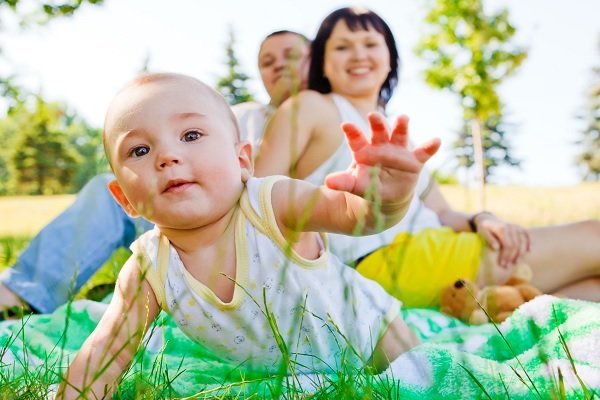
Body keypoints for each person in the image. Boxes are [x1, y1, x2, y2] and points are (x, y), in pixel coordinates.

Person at [55, 72, 440, 398]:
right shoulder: (148, 267)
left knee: (419, 384)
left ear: (242, 161)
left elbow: (353, 215)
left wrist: (387, 199)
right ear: (125, 199)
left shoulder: (271, 203)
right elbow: (105, 351)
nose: (166, 156)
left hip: (374, 338)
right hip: (289, 376)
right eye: (139, 149)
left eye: (190, 135)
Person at [255, 6, 600, 306]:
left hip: (435, 247)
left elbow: (444, 212)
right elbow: (256, 197)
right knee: (593, 238)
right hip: (381, 261)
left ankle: (497, 310)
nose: (359, 55)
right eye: (342, 47)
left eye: (371, 44)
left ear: (390, 58)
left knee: (591, 288)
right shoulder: (311, 107)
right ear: (323, 63)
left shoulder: (395, 132)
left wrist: (484, 219)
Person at [0, 29, 311, 315]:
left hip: (251, 236)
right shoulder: (242, 114)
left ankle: (154, 290)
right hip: (183, 207)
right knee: (107, 188)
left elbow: (260, 192)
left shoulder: (321, 111)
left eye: (290, 55)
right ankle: (22, 296)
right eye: (267, 61)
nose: (278, 65)